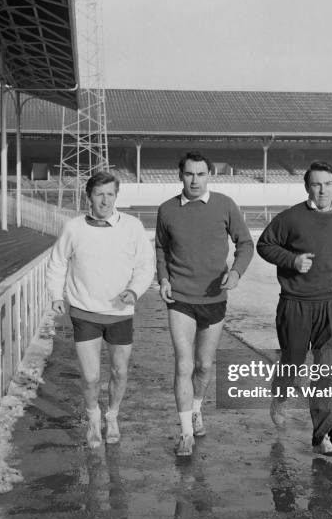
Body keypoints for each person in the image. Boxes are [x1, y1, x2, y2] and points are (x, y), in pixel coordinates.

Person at [155, 150, 254, 456]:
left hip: (214, 297)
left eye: (200, 174)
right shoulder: (167, 210)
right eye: (189, 174)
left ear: (209, 175)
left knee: (204, 365)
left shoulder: (225, 205)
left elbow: (246, 244)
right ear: (180, 175)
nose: (194, 180)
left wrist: (236, 272)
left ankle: (196, 409)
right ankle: (185, 432)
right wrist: (164, 279)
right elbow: (160, 248)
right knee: (184, 364)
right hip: (180, 298)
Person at [46, 171, 155, 448]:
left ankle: (113, 416)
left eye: (110, 194)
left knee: (119, 372)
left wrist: (134, 290)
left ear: (116, 196)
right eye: (99, 194)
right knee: (91, 377)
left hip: (120, 313)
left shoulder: (132, 226)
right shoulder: (74, 227)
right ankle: (93, 419)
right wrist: (56, 295)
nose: (105, 200)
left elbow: (145, 266)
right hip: (84, 312)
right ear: (89, 197)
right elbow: (57, 262)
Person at [256, 160, 332, 457]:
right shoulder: (290, 218)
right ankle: (280, 395)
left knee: (329, 371)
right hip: (295, 304)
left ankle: (324, 437)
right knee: (293, 364)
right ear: (307, 187)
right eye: (316, 184)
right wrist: (293, 261)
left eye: (327, 183)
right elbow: (265, 245)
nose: (322, 189)